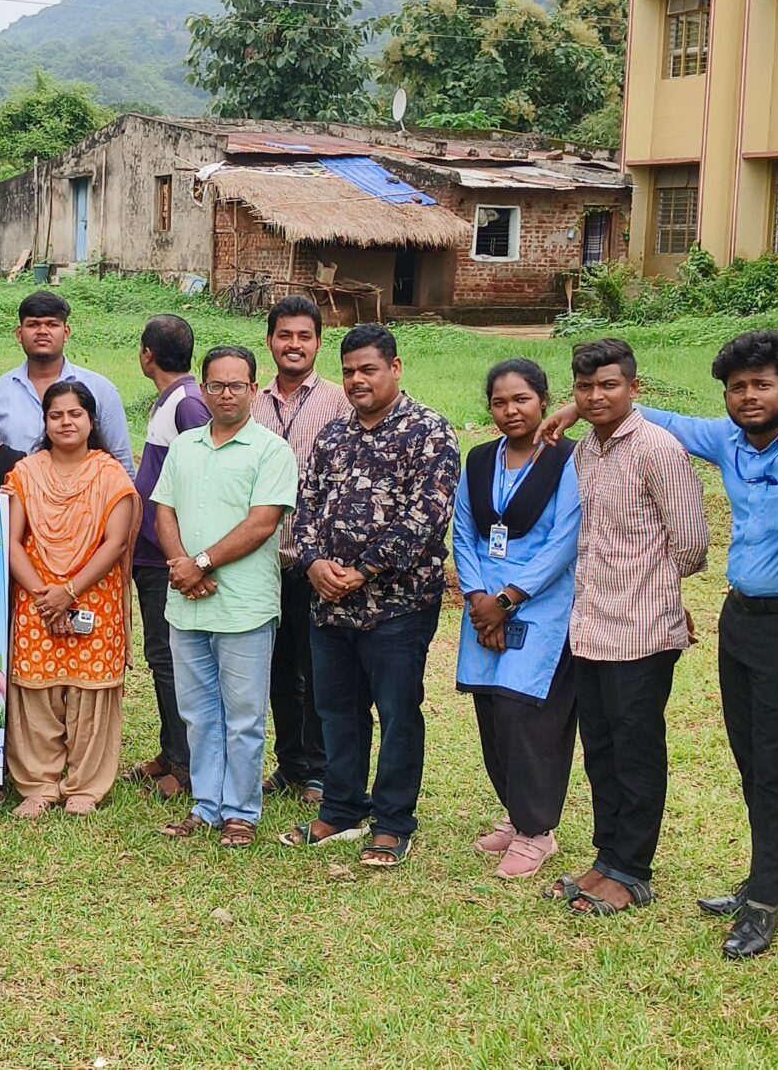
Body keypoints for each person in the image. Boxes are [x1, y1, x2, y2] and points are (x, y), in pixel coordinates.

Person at [539, 330, 778, 955]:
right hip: (740, 620)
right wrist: (572, 406)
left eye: (762, 385)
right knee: (752, 759)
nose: (748, 397)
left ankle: (763, 901)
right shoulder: (723, 438)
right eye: (736, 387)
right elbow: (650, 415)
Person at [278, 325, 458, 870]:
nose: (357, 380)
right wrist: (312, 563)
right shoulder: (334, 437)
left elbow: (427, 517)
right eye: (350, 371)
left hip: (397, 607)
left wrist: (361, 570)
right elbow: (304, 506)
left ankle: (393, 822)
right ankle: (341, 808)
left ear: (395, 368)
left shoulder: (429, 432)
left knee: (398, 712)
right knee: (337, 710)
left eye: (369, 370)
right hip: (327, 603)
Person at [549, 338, 709, 916]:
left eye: (608, 385)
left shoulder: (658, 450)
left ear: (634, 388)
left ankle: (633, 870)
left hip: (640, 631)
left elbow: (692, 543)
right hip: (590, 627)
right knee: (601, 750)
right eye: (585, 387)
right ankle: (605, 857)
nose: (595, 396)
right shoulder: (587, 451)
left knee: (636, 752)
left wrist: (654, 589)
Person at [152, 346, 296, 847]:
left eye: (237, 385)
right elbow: (163, 512)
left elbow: (263, 523)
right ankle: (206, 805)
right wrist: (182, 567)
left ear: (254, 390)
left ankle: (240, 810)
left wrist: (203, 564)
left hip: (244, 605)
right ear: (204, 390)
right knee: (197, 711)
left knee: (244, 715)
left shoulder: (271, 450)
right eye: (216, 385)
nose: (226, 393)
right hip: (187, 602)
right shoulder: (185, 445)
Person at [452, 359, 583, 882]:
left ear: (544, 402)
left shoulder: (569, 461)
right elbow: (463, 532)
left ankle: (538, 832)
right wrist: (479, 598)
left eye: (522, 400)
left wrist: (507, 600)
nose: (511, 410)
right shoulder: (481, 459)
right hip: (481, 603)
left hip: (541, 605)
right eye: (500, 402)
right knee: (492, 714)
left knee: (529, 718)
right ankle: (515, 814)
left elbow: (565, 541)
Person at [2, 381, 139, 819]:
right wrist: (45, 595)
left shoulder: (109, 474)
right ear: (44, 422)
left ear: (91, 421)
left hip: (91, 597)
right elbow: (11, 539)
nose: (65, 422)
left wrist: (70, 591)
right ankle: (40, 784)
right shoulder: (26, 473)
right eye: (56, 415)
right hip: (36, 597)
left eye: (74, 414)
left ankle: (84, 785)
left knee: (90, 693)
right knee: (36, 694)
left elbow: (115, 543)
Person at [250, 295, 352, 806]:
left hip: (317, 564)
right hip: (260, 561)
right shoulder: (248, 400)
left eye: (304, 336)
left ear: (318, 343)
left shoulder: (340, 401)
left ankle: (320, 769)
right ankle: (290, 765)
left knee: (318, 673)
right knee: (276, 668)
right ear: (270, 341)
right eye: (285, 335)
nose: (294, 345)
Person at [128, 314, 211, 801]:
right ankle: (170, 748)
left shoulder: (189, 403)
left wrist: (191, 557)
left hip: (169, 560)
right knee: (161, 656)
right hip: (152, 555)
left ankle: (184, 765)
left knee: (173, 660)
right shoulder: (172, 399)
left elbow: (203, 476)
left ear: (146, 355)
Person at [0, 291, 134, 473]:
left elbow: (122, 464)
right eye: (33, 324)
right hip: (18, 497)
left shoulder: (100, 390)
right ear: (19, 334)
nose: (42, 332)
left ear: (66, 332)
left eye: (52, 324)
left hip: (87, 498)